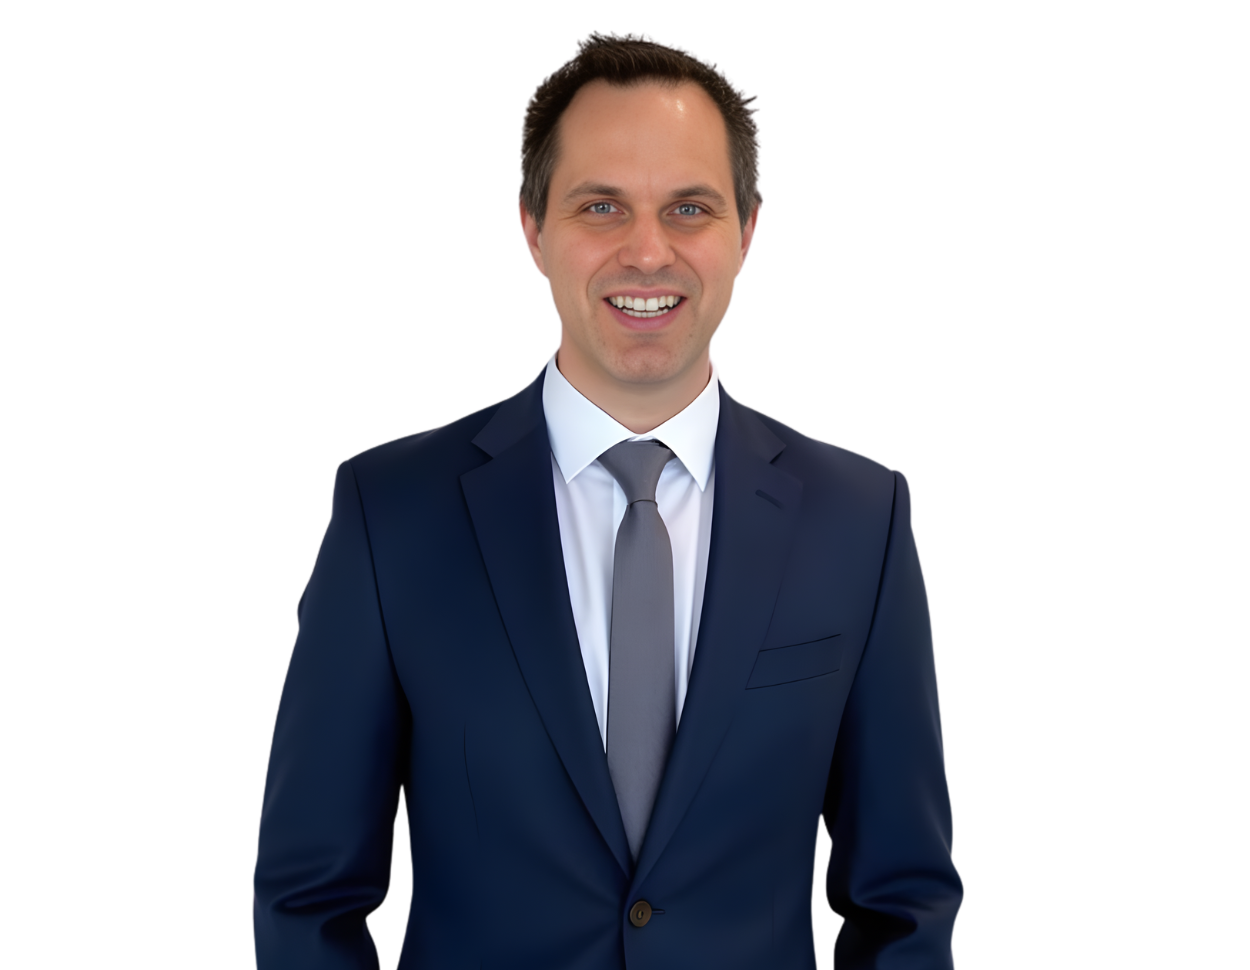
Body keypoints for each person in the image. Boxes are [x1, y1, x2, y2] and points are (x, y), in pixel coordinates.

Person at [252, 31, 962, 969]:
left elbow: (904, 902)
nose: (647, 250)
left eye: (690, 208)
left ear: (748, 232)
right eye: (601, 206)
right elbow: (308, 899)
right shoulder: (391, 511)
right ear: (532, 229)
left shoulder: (862, 518)